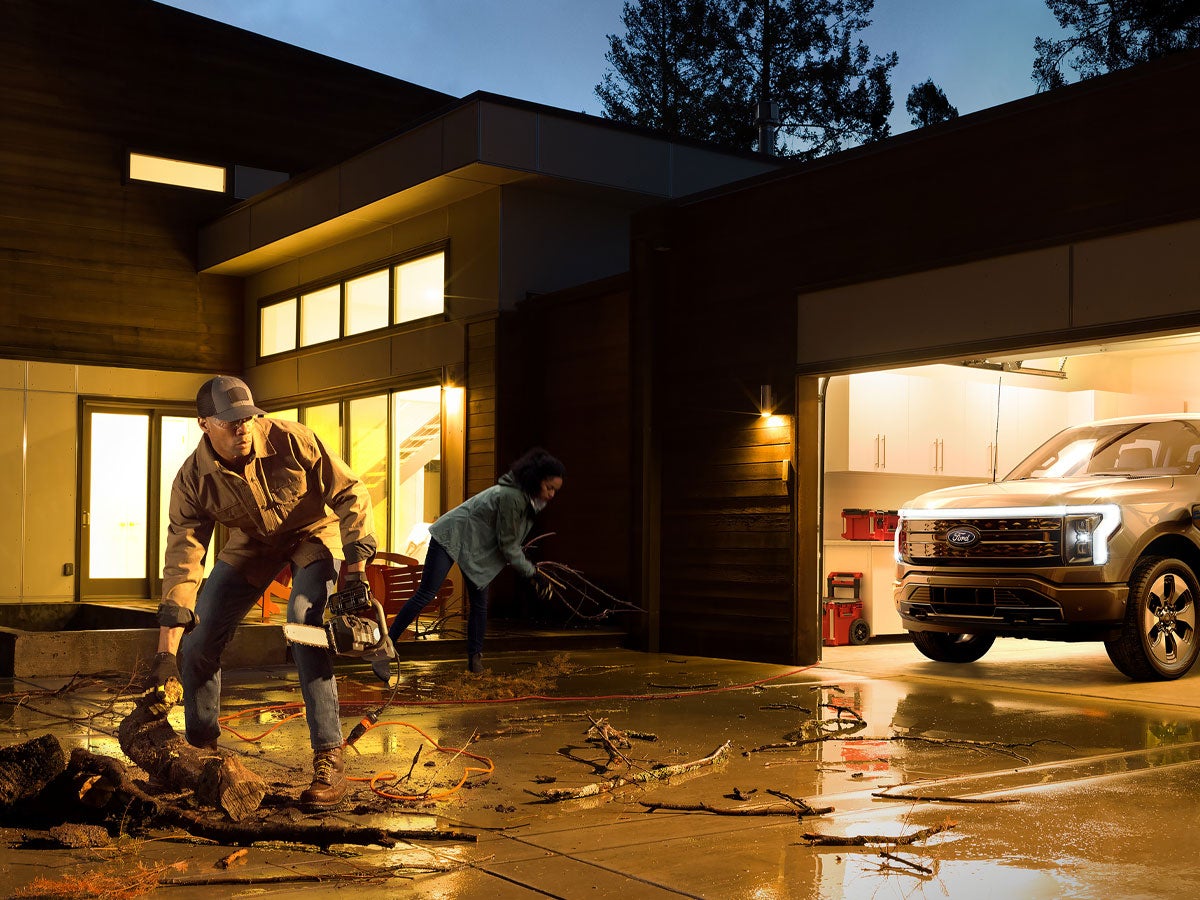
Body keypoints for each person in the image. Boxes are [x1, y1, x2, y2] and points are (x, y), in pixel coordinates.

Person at [149, 375, 377, 808]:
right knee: (196, 644)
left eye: (248, 419)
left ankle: (330, 754)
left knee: (302, 624)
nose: (243, 429)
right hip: (253, 544)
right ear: (204, 424)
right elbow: (182, 561)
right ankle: (201, 754)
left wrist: (357, 572)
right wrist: (164, 655)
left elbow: (350, 491)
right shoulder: (193, 481)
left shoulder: (293, 440)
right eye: (230, 422)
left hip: (312, 534)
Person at [373, 447, 565, 679]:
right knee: (426, 594)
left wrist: (530, 572)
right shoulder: (512, 497)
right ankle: (384, 651)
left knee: (479, 604)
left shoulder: (527, 501)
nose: (552, 495)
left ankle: (475, 663)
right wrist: (533, 574)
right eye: (549, 488)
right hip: (451, 536)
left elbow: (507, 541)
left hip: (474, 547)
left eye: (555, 490)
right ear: (536, 481)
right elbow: (508, 545)